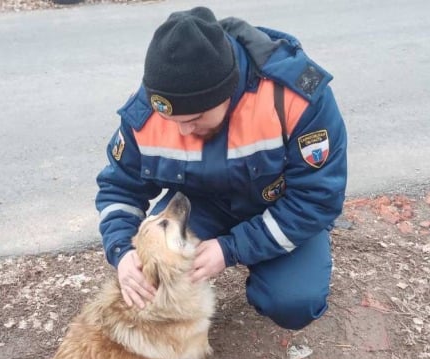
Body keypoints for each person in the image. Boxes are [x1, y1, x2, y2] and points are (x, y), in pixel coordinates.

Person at [95, 6, 348, 330]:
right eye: (174, 122)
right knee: (151, 278)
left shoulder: (295, 96)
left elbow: (318, 198)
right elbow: (119, 188)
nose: (183, 131)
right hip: (200, 206)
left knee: (294, 301)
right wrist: (121, 252)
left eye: (195, 119)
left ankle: (276, 269)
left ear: (227, 92)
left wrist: (229, 249)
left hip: (280, 207)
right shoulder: (149, 113)